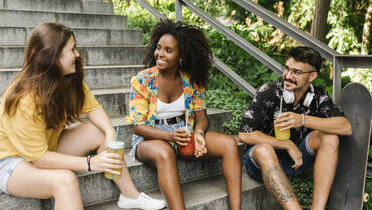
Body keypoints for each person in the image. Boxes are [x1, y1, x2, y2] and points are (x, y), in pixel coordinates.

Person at [0, 22, 165, 210]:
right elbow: (39, 158)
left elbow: (94, 109)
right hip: (11, 162)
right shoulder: (25, 98)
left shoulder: (67, 79)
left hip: (45, 148)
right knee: (65, 180)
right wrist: (90, 163)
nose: (77, 54)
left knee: (97, 131)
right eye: (72, 49)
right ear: (53, 56)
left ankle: (130, 195)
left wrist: (110, 136)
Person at [126, 19, 242, 210]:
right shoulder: (143, 80)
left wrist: (198, 133)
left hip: (182, 133)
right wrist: (169, 136)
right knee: (165, 153)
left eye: (168, 50)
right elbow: (136, 125)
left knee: (229, 144)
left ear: (181, 56)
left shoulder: (191, 81)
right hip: (149, 138)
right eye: (158, 48)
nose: (160, 54)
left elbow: (202, 118)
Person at [238, 46, 352, 210]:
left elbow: (345, 127)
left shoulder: (318, 95)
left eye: (296, 72)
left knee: (330, 137)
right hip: (260, 163)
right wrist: (286, 144)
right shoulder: (270, 91)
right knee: (264, 150)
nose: (287, 76)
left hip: (296, 162)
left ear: (312, 76)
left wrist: (303, 120)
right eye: (287, 69)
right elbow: (244, 135)